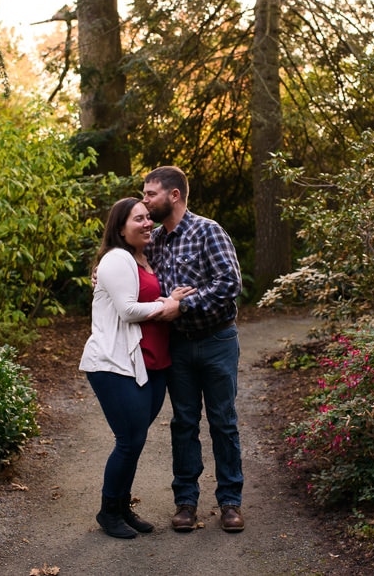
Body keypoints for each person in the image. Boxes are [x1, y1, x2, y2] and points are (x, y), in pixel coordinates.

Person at [79, 197, 196, 539]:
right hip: (115, 363)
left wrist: (169, 298)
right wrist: (168, 304)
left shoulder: (146, 257)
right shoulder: (117, 258)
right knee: (128, 440)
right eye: (138, 219)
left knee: (136, 438)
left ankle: (121, 506)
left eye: (148, 218)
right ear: (119, 228)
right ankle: (108, 511)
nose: (147, 224)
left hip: (151, 363)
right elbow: (129, 310)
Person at [142, 165, 245, 533]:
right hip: (178, 347)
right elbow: (124, 263)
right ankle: (185, 502)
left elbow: (229, 284)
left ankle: (230, 503)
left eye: (150, 193)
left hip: (217, 341)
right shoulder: (153, 240)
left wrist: (182, 305)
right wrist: (101, 272)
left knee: (223, 421)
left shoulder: (207, 231)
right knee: (184, 423)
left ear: (174, 195)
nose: (145, 200)